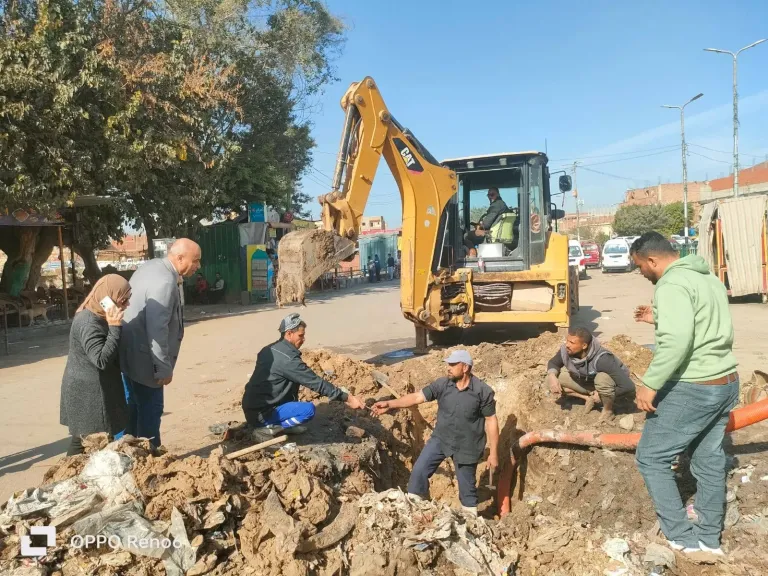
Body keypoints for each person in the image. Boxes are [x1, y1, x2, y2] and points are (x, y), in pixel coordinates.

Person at [630, 231, 738, 556]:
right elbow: (705, 324)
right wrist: (659, 317)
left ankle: (681, 539)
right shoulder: (706, 278)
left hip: (695, 386)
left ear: (652, 260)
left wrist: (650, 383)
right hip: (726, 382)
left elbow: (678, 341)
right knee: (707, 460)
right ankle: (708, 540)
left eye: (640, 267)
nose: (641, 273)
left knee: (651, 457)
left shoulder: (672, 284)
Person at [372, 350, 498, 515]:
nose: (448, 368)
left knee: (467, 490)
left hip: (467, 445)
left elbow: (491, 421)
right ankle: (415, 512)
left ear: (465, 367)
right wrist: (390, 404)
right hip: (441, 439)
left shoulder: (482, 391)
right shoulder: (442, 384)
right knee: (418, 472)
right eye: (448, 364)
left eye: (453, 364)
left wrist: (494, 453)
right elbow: (417, 397)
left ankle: (470, 522)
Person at [119, 238, 202, 448]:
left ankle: (129, 454)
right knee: (150, 410)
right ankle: (150, 457)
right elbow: (157, 330)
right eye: (196, 260)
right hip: (145, 359)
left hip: (128, 354)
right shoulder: (165, 282)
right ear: (180, 258)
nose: (198, 266)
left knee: (134, 407)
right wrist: (162, 368)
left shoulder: (150, 266)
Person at [242, 313, 366, 438]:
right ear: (289, 334)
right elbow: (316, 383)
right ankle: (267, 429)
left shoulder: (269, 349)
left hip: (252, 407)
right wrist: (348, 398)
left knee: (291, 392)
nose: (303, 339)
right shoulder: (287, 359)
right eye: (300, 335)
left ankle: (283, 425)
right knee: (307, 411)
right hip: (262, 414)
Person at [60, 275, 132, 455]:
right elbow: (101, 360)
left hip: (94, 390)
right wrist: (115, 327)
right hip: (89, 394)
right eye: (123, 300)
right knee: (85, 444)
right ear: (108, 297)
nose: (127, 305)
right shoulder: (88, 322)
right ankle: (68, 479)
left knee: (86, 442)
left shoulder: (98, 315)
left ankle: (74, 479)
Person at [546, 326, 635, 420]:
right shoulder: (566, 351)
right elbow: (553, 363)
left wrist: (601, 394)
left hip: (607, 386)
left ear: (584, 346)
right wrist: (552, 376)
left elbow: (628, 386)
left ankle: (607, 410)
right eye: (567, 341)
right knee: (551, 379)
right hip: (587, 382)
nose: (567, 345)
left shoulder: (602, 359)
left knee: (602, 379)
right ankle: (588, 398)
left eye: (571, 342)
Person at [463, 187, 509, 257]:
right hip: (497, 233)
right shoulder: (503, 204)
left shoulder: (496, 205)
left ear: (498, 194)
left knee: (466, 235)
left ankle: (472, 255)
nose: (490, 197)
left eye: (492, 194)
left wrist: (479, 226)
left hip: (490, 234)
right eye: (488, 195)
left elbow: (486, 225)